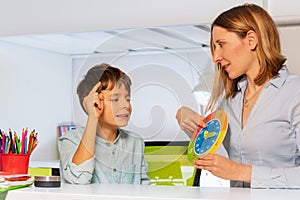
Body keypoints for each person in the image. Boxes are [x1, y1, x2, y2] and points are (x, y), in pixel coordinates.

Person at [176, 4, 300, 189]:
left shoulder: (294, 93)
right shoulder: (230, 101)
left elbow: (233, 169)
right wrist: (186, 118)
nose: (216, 57)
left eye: (221, 45)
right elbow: (209, 147)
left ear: (251, 40)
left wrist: (240, 171)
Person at [58, 63, 150, 185]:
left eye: (128, 99)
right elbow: (79, 179)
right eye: (115, 99)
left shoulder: (135, 142)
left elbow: (144, 187)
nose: (126, 105)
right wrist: (92, 117)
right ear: (94, 103)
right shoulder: (71, 139)